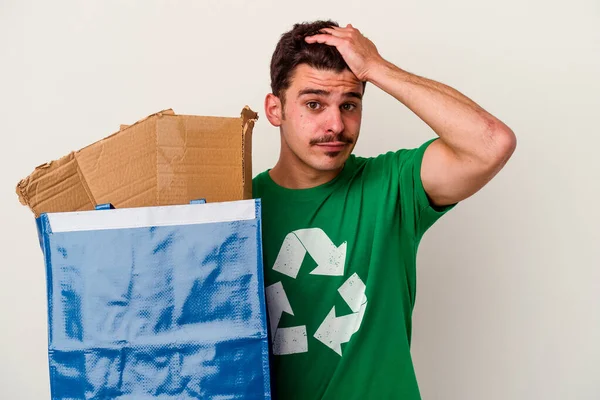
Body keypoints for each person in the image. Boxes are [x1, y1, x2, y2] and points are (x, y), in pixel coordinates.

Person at [252, 20, 516, 399]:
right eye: (314, 104)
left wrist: (376, 67)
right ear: (275, 109)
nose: (336, 124)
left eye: (349, 104)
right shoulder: (241, 209)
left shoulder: (393, 186)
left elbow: (492, 143)